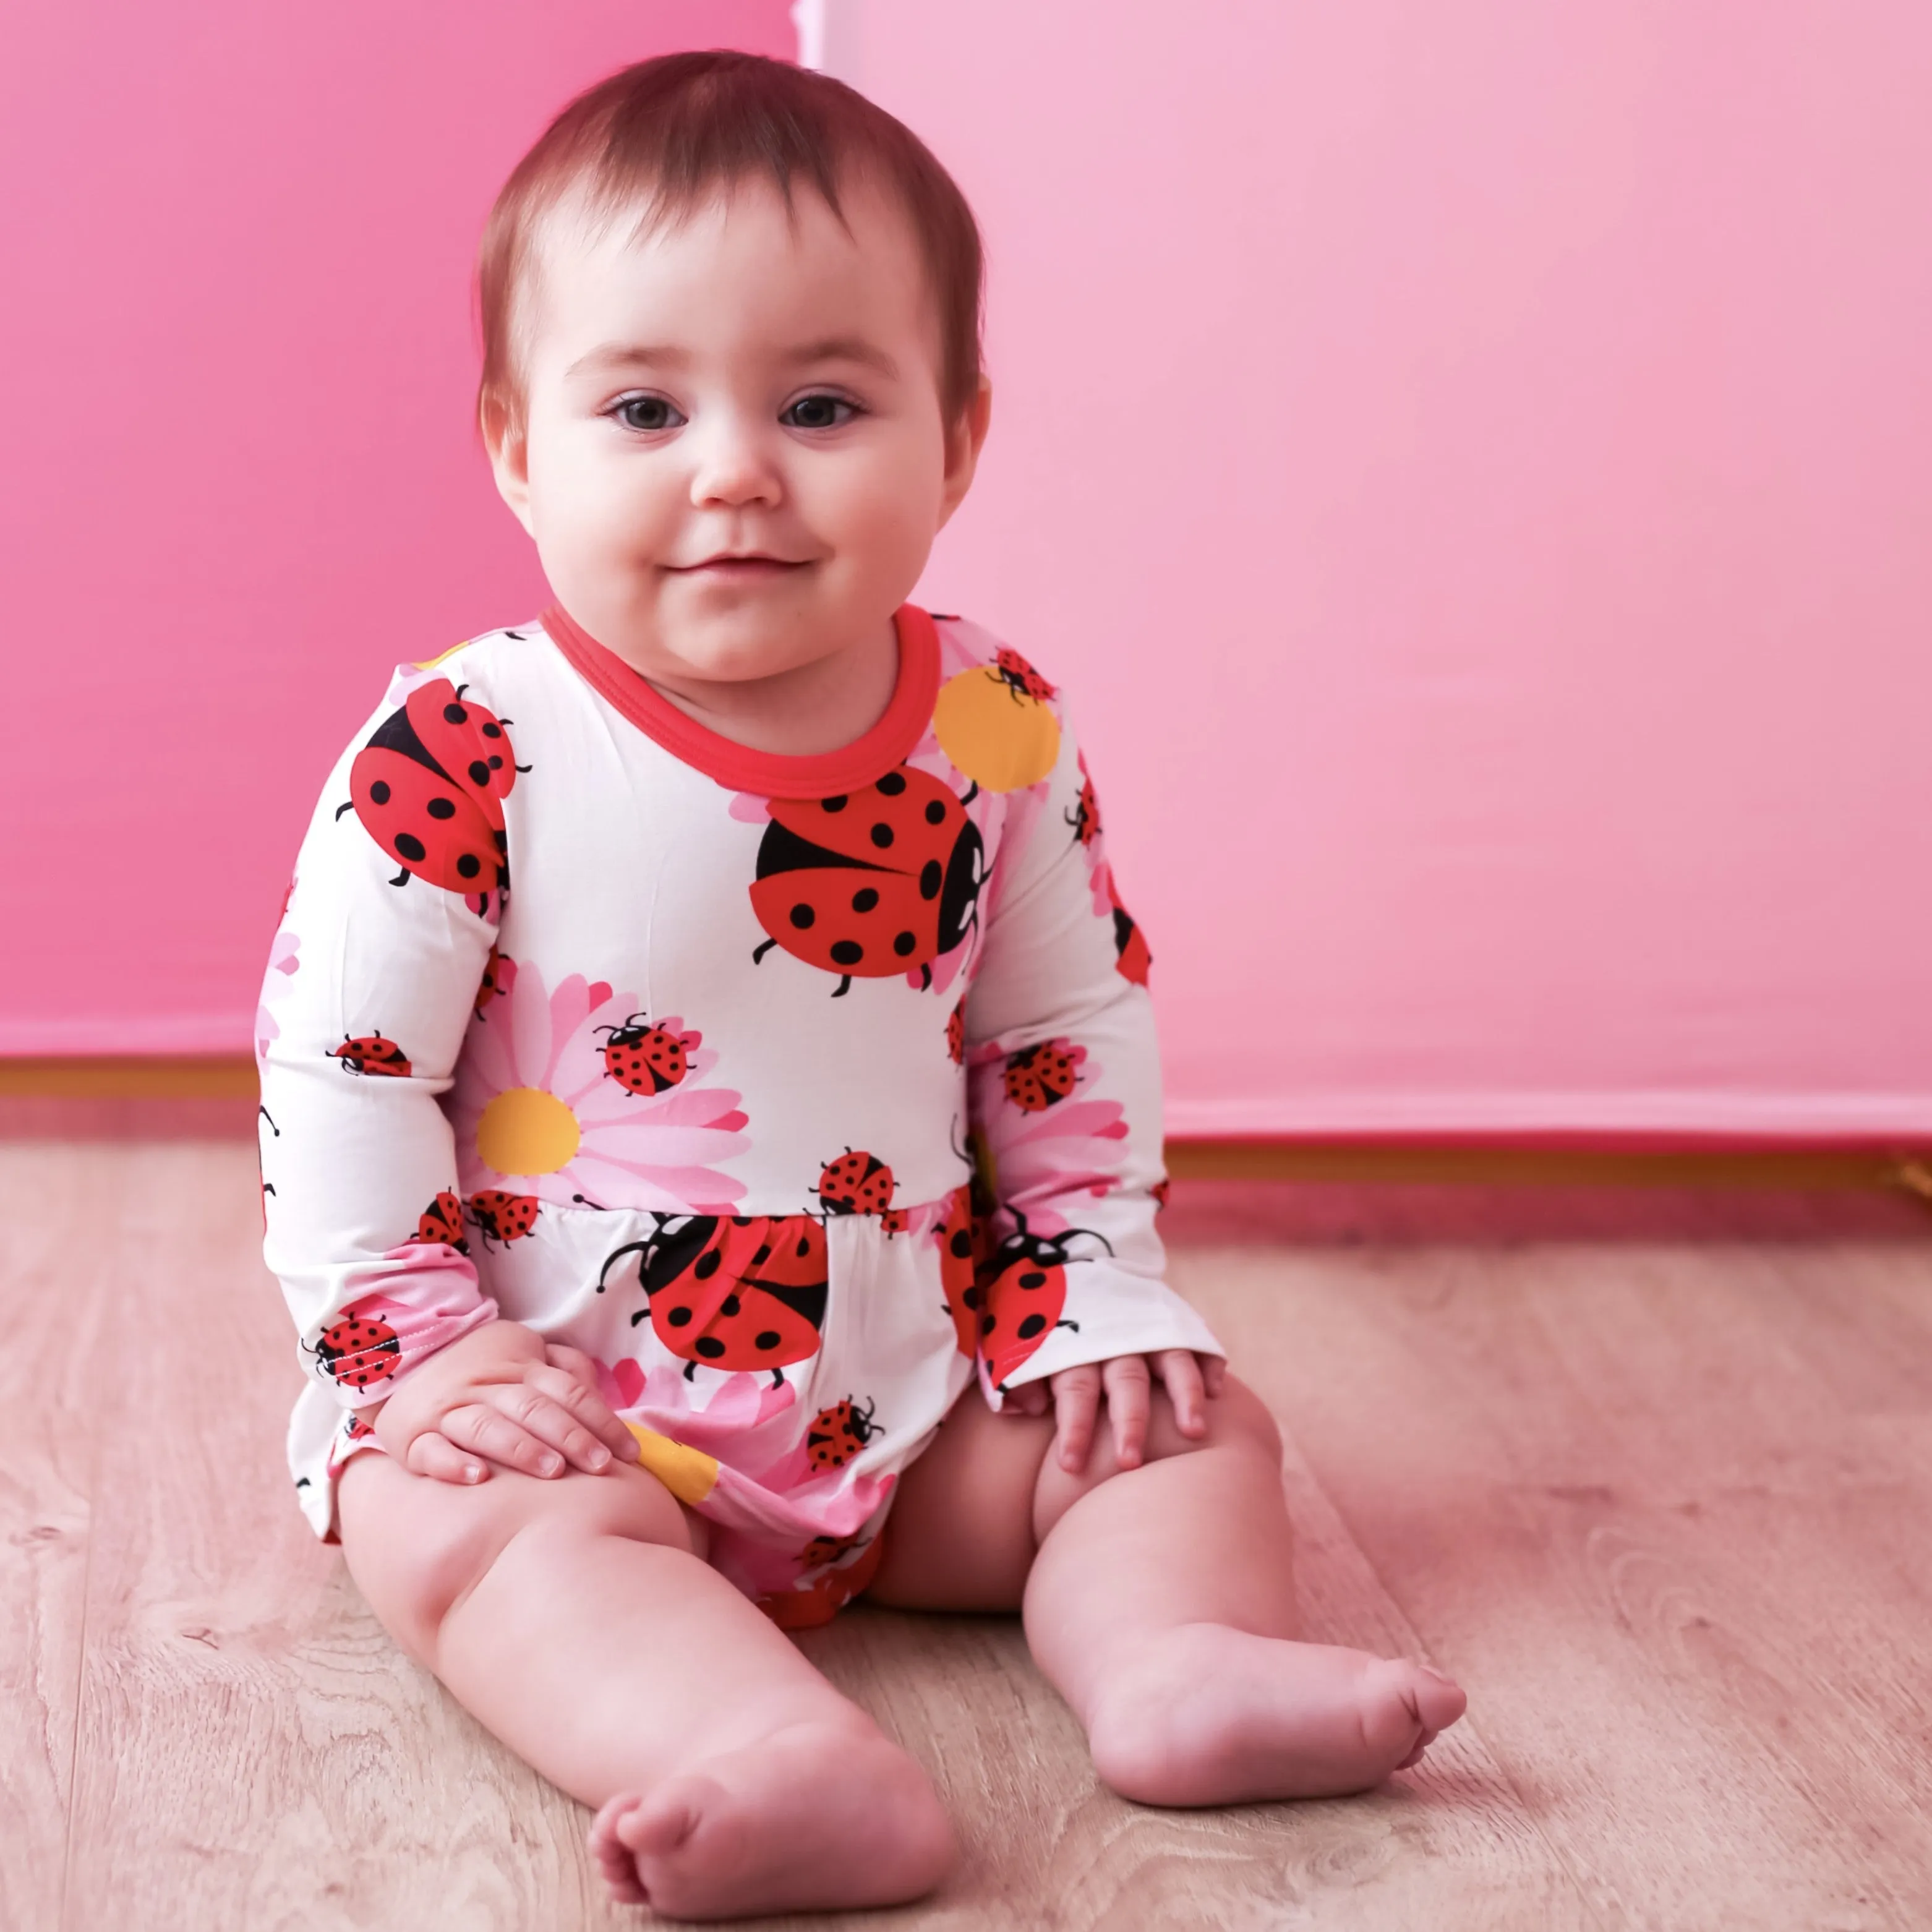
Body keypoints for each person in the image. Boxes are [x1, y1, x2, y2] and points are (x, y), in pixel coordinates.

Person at [254, 50, 1466, 1921]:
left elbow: (1060, 1024)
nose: (733, 468)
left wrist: (1084, 1286)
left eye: (819, 402)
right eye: (645, 406)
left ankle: (1172, 1658)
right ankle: (767, 1753)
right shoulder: (467, 741)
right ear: (516, 449)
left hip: (908, 1379)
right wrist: (424, 1357)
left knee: (1179, 1426)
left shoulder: (992, 720)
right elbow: (339, 1069)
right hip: (571, 1384)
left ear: (958, 441)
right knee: (480, 1537)